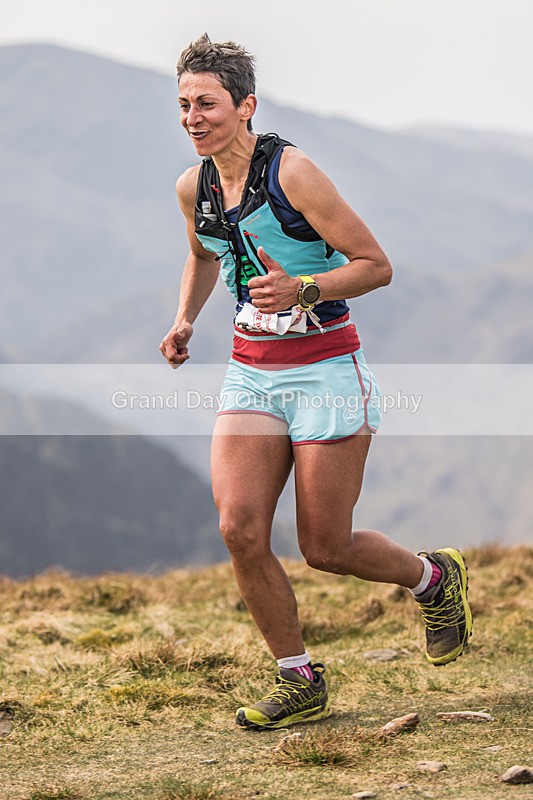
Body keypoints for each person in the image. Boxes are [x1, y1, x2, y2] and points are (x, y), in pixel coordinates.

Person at [160, 34, 472, 731]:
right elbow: (203, 255)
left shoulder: (292, 173)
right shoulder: (195, 186)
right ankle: (297, 678)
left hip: (326, 370)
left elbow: (374, 265)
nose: (192, 118)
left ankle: (431, 578)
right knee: (239, 529)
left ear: (246, 106)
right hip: (251, 375)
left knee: (325, 548)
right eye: (182, 105)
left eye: (206, 104)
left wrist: (301, 287)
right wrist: (184, 320)